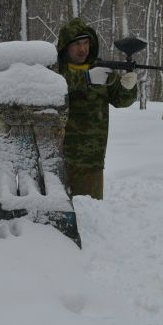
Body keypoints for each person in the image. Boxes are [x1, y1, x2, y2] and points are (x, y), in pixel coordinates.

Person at [55, 18, 137, 200]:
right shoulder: (55, 71)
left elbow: (121, 100)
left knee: (89, 216)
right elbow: (53, 89)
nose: (83, 49)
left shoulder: (101, 70)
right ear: (65, 46)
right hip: (56, 160)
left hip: (91, 162)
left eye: (85, 43)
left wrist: (129, 87)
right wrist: (86, 78)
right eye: (76, 44)